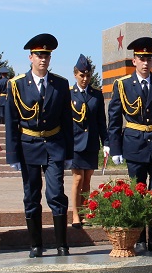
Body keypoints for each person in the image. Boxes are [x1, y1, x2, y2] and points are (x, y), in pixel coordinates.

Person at [107, 37, 152, 251]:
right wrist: (116, 148)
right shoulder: (123, 85)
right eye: (141, 58)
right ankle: (138, 239)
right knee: (136, 194)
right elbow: (114, 119)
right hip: (134, 145)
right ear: (134, 61)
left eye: (149, 59)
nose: (146, 63)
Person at [6, 34, 73, 258]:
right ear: (30, 57)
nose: (43, 59)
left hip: (54, 144)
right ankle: (36, 245)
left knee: (56, 194)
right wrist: (13, 154)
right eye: (39, 55)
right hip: (29, 145)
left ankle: (62, 244)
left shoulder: (61, 84)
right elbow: (11, 121)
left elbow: (66, 121)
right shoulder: (16, 85)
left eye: (47, 55)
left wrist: (69, 154)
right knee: (32, 195)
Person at [68, 55, 108, 229]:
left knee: (87, 179)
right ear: (75, 74)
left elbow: (101, 121)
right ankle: (76, 215)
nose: (85, 79)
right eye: (81, 75)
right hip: (75, 143)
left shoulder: (96, 95)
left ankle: (85, 212)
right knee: (77, 178)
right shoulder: (68, 94)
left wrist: (106, 142)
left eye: (88, 76)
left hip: (91, 143)